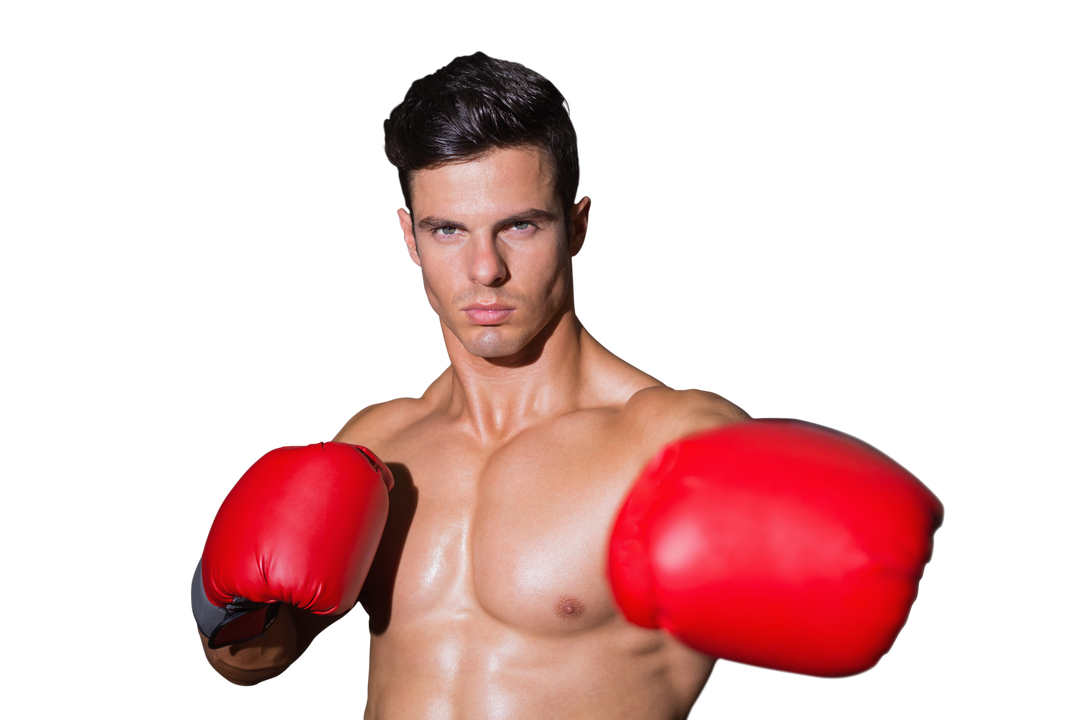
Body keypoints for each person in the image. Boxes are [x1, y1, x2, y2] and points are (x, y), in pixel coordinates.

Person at [188, 49, 946, 717]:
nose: (484, 270)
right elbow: (252, 662)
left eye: (520, 225)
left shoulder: (672, 442)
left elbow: (845, 591)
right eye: (449, 230)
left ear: (578, 224)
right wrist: (222, 606)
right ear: (407, 237)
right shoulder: (375, 445)